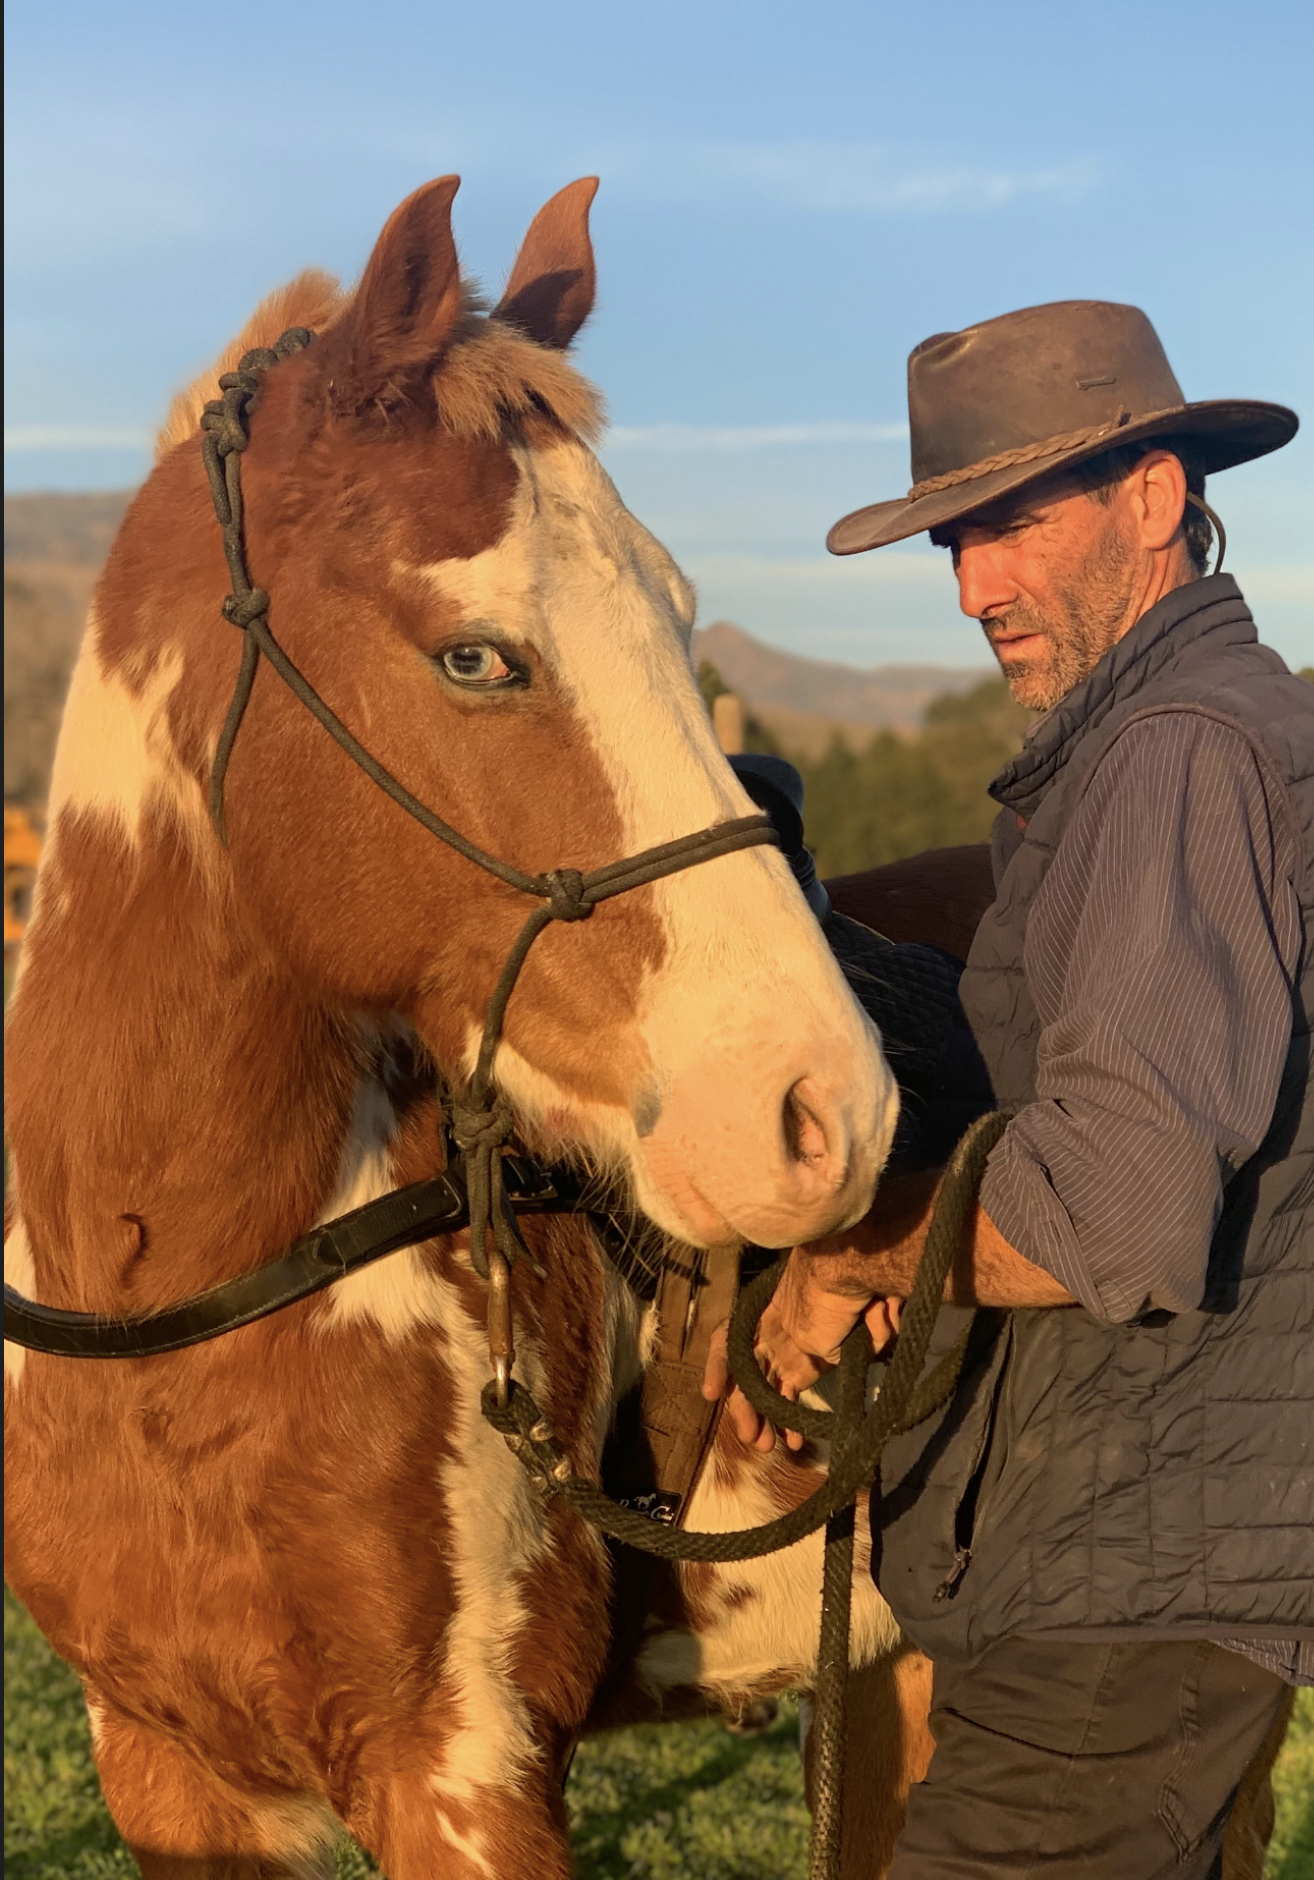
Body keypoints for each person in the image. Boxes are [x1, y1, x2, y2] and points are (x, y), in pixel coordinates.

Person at [705, 301, 1313, 1877]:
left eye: (1008, 527)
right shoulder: (1198, 740)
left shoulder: (1173, 755)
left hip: (1133, 1574)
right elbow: (1061, 1070)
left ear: (1154, 498)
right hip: (1144, 1558)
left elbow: (1111, 1203)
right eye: (950, 546)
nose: (974, 588)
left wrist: (854, 1259)